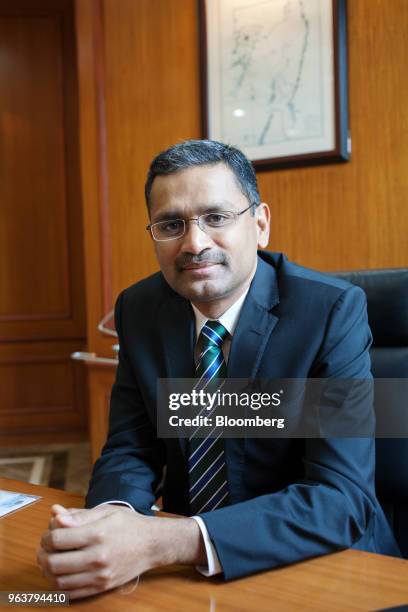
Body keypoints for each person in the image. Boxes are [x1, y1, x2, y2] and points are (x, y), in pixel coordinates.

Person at [37, 139, 399, 599]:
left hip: (327, 568)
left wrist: (169, 541)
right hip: (186, 576)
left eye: (217, 217)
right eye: (171, 224)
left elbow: (341, 500)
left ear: (260, 224)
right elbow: (132, 446)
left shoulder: (330, 312)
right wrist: (111, 521)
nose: (194, 243)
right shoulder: (141, 308)